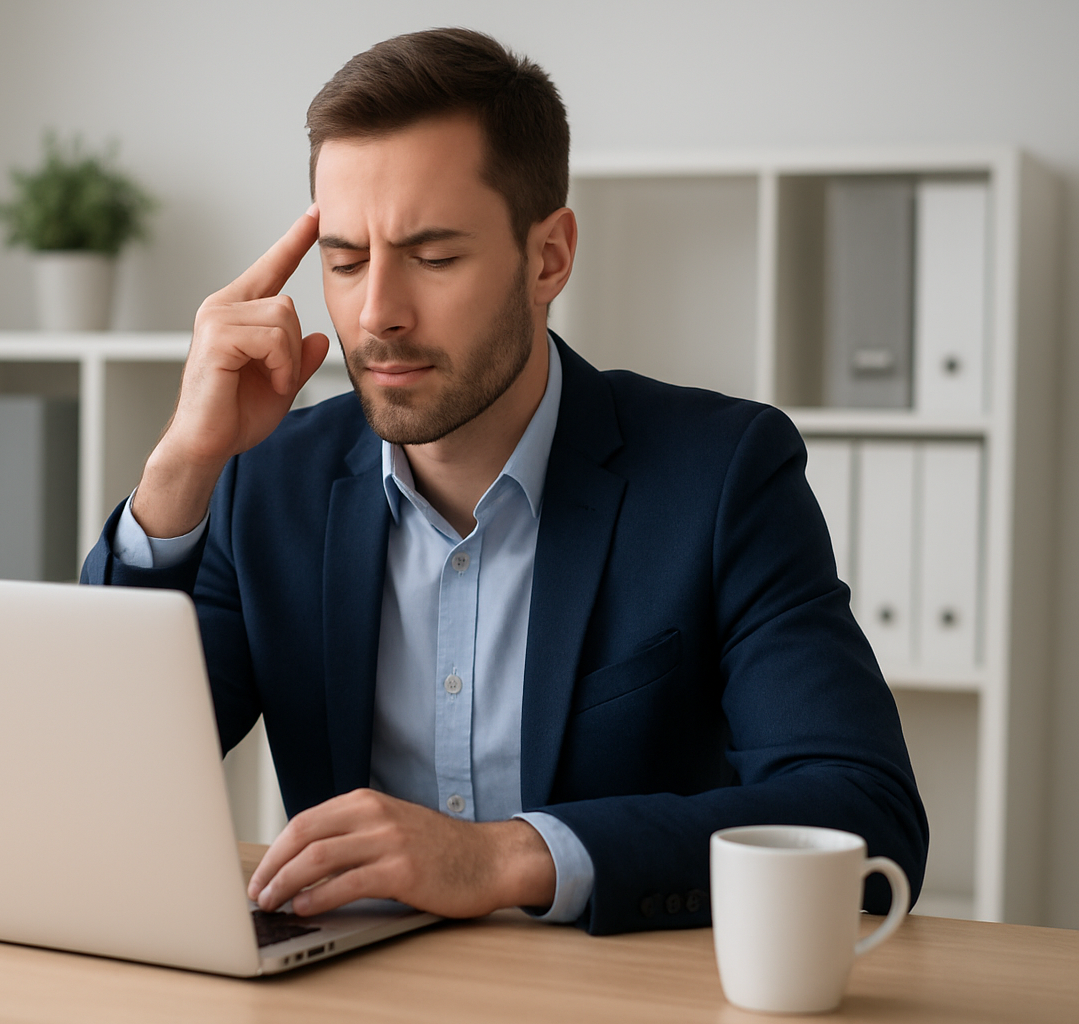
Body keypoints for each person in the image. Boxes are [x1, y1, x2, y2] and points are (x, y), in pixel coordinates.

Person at [81, 27, 928, 934]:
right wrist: (182, 464)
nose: (378, 314)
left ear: (549, 258)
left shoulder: (722, 476)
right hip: (350, 989)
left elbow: (861, 811)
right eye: (346, 261)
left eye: (434, 257)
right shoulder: (265, 483)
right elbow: (100, 775)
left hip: (616, 988)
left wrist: (504, 857)